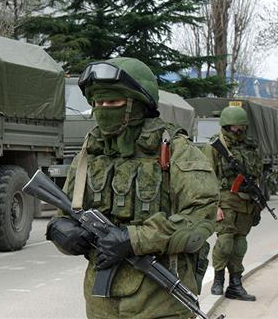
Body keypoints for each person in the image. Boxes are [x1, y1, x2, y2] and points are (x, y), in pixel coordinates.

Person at [46, 57, 219, 318]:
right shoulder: (91, 150)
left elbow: (201, 218)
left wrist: (133, 239)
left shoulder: (174, 148)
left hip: (159, 300)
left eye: (113, 102)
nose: (103, 110)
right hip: (100, 301)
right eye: (98, 103)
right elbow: (67, 209)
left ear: (138, 104)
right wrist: (60, 230)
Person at [203, 105, 262, 301]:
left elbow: (258, 173)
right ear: (226, 126)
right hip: (225, 200)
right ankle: (218, 280)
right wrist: (215, 206)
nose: (239, 130)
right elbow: (207, 179)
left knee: (239, 245)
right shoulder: (214, 147)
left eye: (241, 127)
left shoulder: (250, 147)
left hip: (246, 202)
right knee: (225, 242)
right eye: (234, 127)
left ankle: (235, 284)